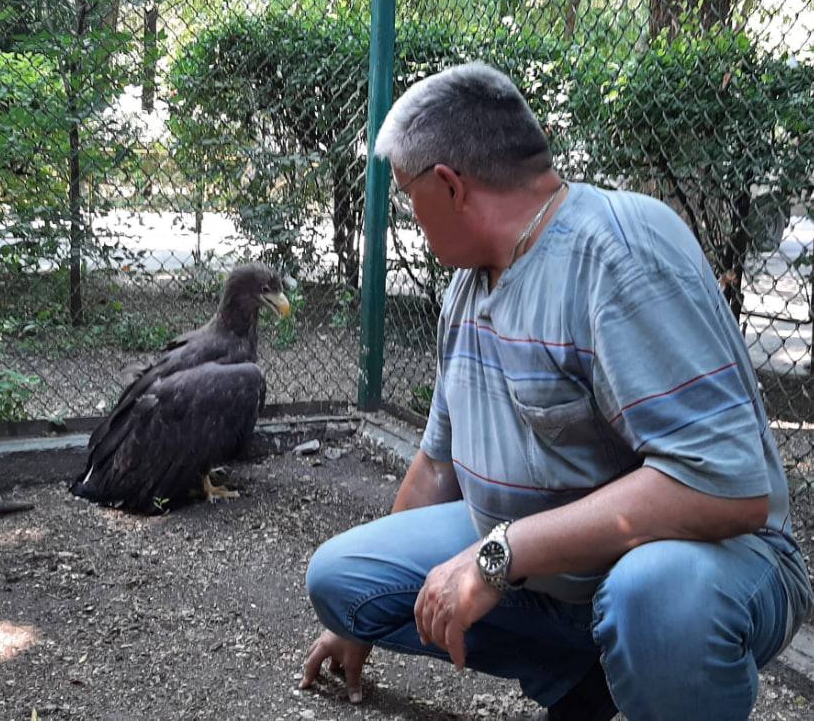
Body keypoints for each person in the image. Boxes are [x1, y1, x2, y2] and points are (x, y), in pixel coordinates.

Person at [298, 61, 814, 721]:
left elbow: (724, 487)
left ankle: (663, 676)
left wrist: (497, 555)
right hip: (548, 565)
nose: (409, 214)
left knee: (657, 597)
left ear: (450, 186)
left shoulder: (618, 251)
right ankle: (584, 681)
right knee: (345, 580)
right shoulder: (469, 284)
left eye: (407, 194)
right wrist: (358, 622)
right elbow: (436, 462)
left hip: (715, 564)